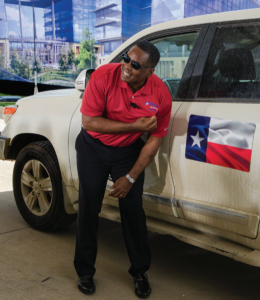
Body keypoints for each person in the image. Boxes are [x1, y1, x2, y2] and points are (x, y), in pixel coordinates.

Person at [74, 41, 172, 298]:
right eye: (127, 58)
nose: (127, 66)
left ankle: (139, 271)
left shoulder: (160, 94)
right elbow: (89, 121)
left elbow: (154, 141)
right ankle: (85, 270)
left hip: (127, 151)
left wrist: (130, 177)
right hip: (92, 147)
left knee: (132, 209)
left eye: (135, 65)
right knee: (90, 205)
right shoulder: (104, 76)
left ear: (150, 71)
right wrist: (135, 125)